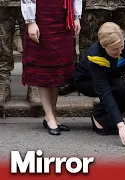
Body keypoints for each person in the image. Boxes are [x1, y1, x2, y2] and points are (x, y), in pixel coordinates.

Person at [21, 0, 82, 135]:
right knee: (45, 67)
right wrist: (31, 21)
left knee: (57, 69)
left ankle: (53, 114)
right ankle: (49, 115)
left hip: (64, 17)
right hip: (43, 17)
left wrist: (77, 17)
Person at [73, 22, 125, 147]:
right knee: (118, 88)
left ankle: (106, 114)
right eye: (114, 49)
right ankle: (99, 116)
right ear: (103, 45)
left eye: (120, 47)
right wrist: (120, 125)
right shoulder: (95, 56)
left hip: (111, 76)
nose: (119, 52)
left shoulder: (123, 46)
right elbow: (104, 91)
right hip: (87, 81)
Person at [0, 0, 25, 103]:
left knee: (32, 42)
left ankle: (34, 84)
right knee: (2, 42)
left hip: (29, 3)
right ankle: (3, 84)